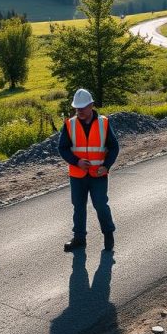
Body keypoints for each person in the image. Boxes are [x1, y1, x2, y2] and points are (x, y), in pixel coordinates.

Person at [58, 88, 119, 252]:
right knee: (78, 207)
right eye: (76, 108)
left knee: (100, 205)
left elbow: (114, 147)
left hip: (98, 175)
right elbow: (62, 148)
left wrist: (106, 166)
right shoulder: (70, 124)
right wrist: (76, 161)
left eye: (82, 107)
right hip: (77, 175)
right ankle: (79, 239)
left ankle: (108, 234)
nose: (79, 111)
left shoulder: (103, 123)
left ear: (91, 105)